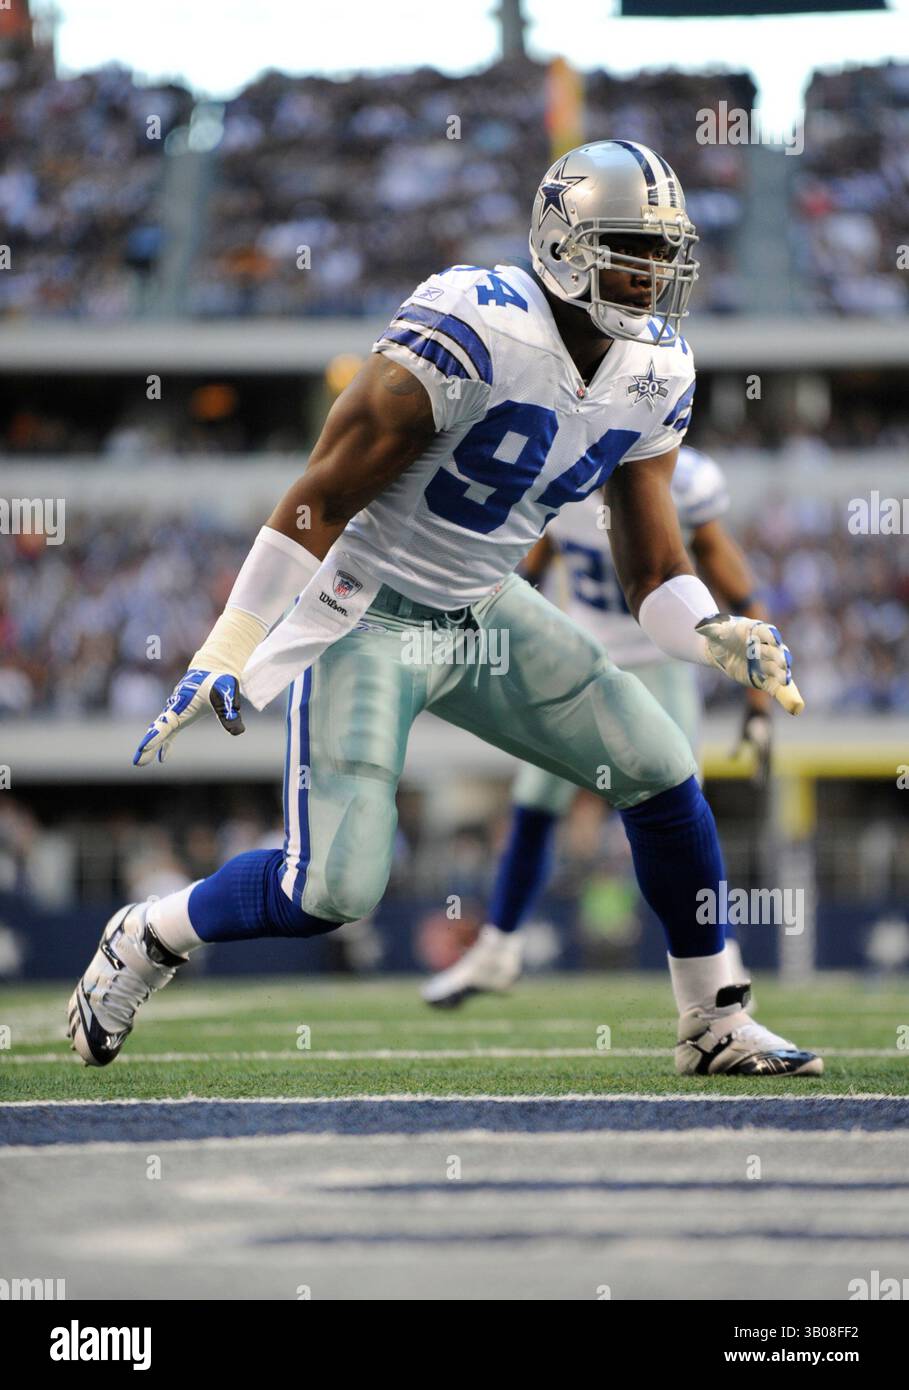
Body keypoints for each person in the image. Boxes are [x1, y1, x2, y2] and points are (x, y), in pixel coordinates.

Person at [68, 139, 821, 1077]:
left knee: (661, 770)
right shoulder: (474, 320)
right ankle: (147, 933)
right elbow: (322, 493)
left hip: (485, 606)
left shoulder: (656, 369)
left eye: (662, 251)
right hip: (366, 612)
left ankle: (713, 1018)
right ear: (563, 241)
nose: (651, 273)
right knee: (329, 891)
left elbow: (652, 566)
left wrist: (712, 633)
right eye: (630, 247)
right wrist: (228, 644)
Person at [421, 444, 772, 1007]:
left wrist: (759, 696)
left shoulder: (686, 479)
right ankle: (497, 950)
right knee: (534, 802)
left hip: (659, 662)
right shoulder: (560, 466)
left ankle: (722, 962)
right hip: (583, 655)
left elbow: (728, 571)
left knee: (684, 812)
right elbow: (530, 570)